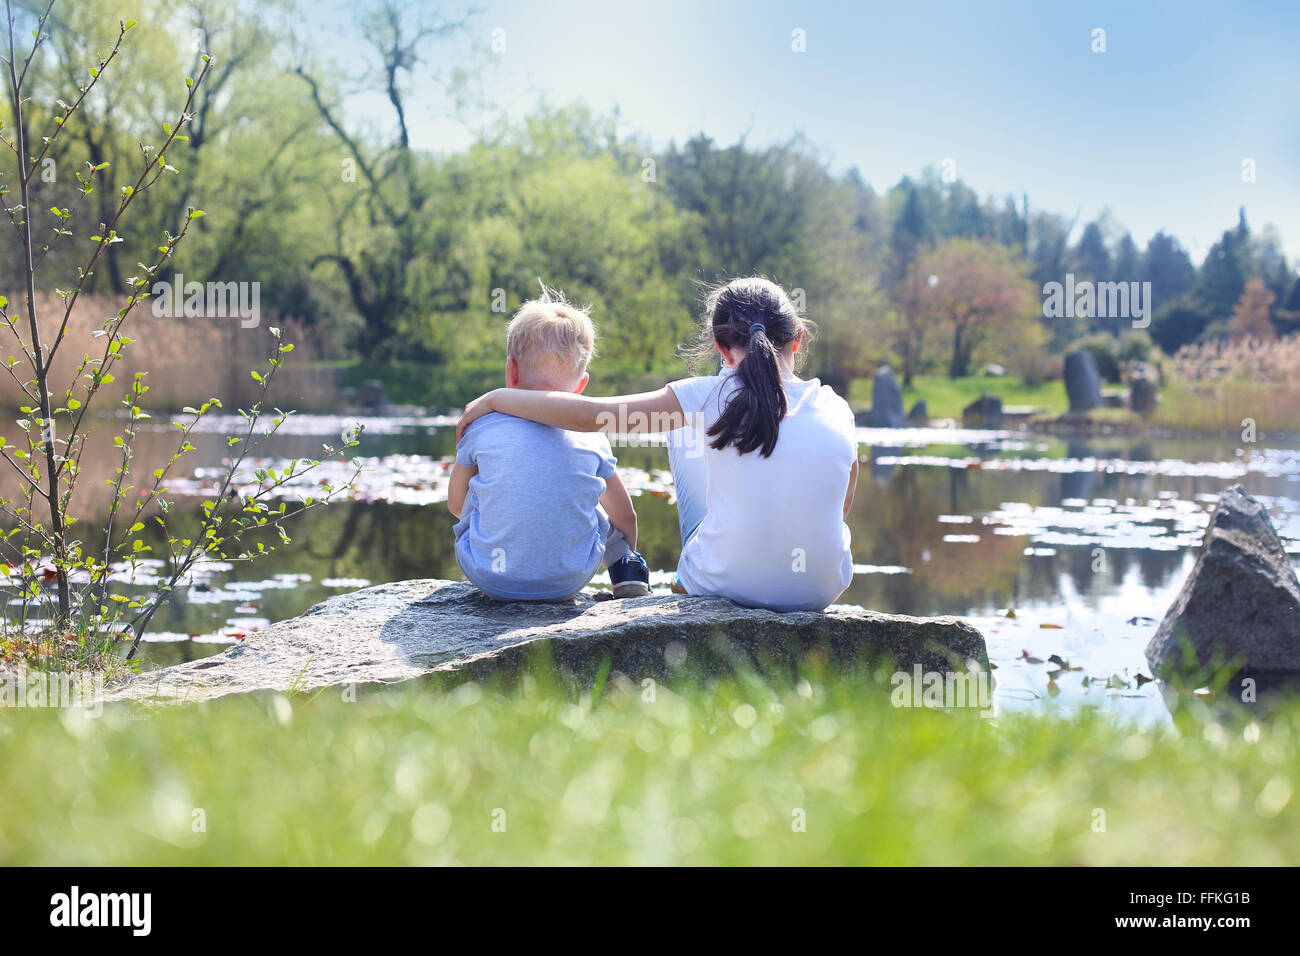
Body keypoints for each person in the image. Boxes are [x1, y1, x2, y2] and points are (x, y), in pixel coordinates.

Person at [456, 277, 859, 612]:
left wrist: (494, 400)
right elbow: (841, 506)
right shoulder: (838, 408)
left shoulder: (705, 395)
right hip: (819, 590)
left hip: (729, 583)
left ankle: (690, 578)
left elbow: (587, 416)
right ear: (798, 339)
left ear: (721, 348)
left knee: (683, 424)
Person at [448, 289, 651, 600]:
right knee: (594, 505)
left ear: (511, 371)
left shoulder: (481, 426)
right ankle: (626, 569)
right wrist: (627, 549)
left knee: (480, 493)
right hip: (569, 580)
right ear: (582, 386)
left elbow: (455, 503)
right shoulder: (593, 436)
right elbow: (626, 517)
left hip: (489, 575)